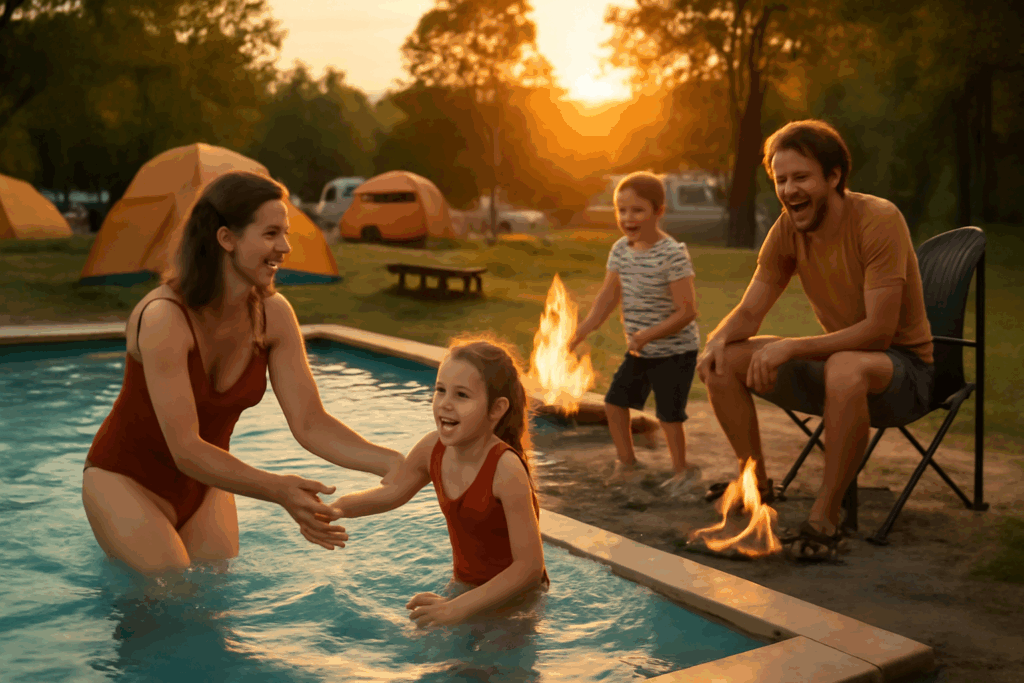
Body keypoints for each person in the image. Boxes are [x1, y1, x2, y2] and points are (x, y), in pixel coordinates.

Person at [82, 171, 403, 576]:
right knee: (169, 591)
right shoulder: (165, 317)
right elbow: (185, 448)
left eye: (285, 233)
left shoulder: (274, 315)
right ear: (226, 239)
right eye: (270, 234)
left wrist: (392, 463)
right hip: (124, 479)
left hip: (205, 484)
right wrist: (279, 490)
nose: (285, 247)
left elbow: (310, 422)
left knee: (211, 597)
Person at [696, 119, 934, 558]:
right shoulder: (787, 230)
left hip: (904, 374)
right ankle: (757, 490)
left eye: (801, 177)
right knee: (723, 361)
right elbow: (750, 310)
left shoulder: (878, 219)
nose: (789, 190)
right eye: (781, 180)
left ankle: (825, 518)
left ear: (834, 176)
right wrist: (716, 339)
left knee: (844, 366)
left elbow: (879, 332)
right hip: (840, 371)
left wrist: (790, 347)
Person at [327, 336, 549, 628]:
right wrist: (338, 508)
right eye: (440, 390)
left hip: (516, 602)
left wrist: (457, 609)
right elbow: (392, 492)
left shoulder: (506, 469)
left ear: (496, 410)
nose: (445, 404)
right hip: (465, 590)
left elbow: (529, 568)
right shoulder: (433, 449)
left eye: (461, 395)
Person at [569, 171, 702, 492]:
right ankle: (627, 463)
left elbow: (687, 311)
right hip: (642, 350)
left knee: (669, 415)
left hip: (676, 351)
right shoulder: (620, 251)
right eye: (621, 210)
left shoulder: (672, 254)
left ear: (658, 212)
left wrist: (650, 334)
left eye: (637, 210)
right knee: (615, 404)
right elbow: (607, 298)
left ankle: (683, 471)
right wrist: (582, 330)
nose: (628, 218)